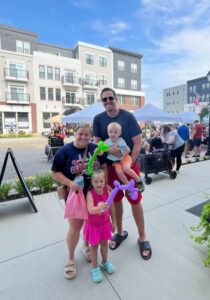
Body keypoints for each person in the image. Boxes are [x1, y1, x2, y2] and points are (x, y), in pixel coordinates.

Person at [92, 87, 152, 260]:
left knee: (135, 200)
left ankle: (143, 237)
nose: (108, 101)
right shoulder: (98, 119)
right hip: (110, 168)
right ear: (102, 102)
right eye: (104, 99)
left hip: (128, 163)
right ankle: (119, 233)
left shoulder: (128, 117)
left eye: (111, 98)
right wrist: (108, 153)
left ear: (116, 99)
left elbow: (138, 143)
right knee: (116, 201)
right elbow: (97, 146)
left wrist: (130, 164)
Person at [51, 124, 106, 279]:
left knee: (91, 223)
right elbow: (55, 172)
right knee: (75, 227)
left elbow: (103, 164)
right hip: (76, 195)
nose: (83, 137)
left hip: (94, 194)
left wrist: (105, 181)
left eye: (87, 134)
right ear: (74, 134)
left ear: (90, 136)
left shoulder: (95, 148)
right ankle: (70, 257)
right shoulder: (65, 151)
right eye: (80, 134)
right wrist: (70, 183)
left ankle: (86, 245)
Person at [84, 169, 116, 283]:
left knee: (104, 244)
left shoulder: (107, 191)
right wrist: (100, 207)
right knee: (94, 246)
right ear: (92, 182)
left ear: (105, 181)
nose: (99, 184)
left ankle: (105, 262)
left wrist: (114, 221)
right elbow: (90, 210)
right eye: (96, 181)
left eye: (101, 181)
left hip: (105, 224)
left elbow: (112, 208)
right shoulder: (90, 193)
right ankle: (94, 267)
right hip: (93, 226)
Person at [105, 122, 144, 192]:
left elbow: (127, 150)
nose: (113, 134)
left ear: (119, 133)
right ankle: (128, 186)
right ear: (107, 133)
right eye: (110, 132)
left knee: (126, 168)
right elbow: (101, 148)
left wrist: (125, 149)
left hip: (125, 158)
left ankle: (138, 180)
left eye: (115, 132)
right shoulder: (106, 142)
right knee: (119, 171)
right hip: (116, 162)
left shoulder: (121, 141)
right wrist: (104, 148)